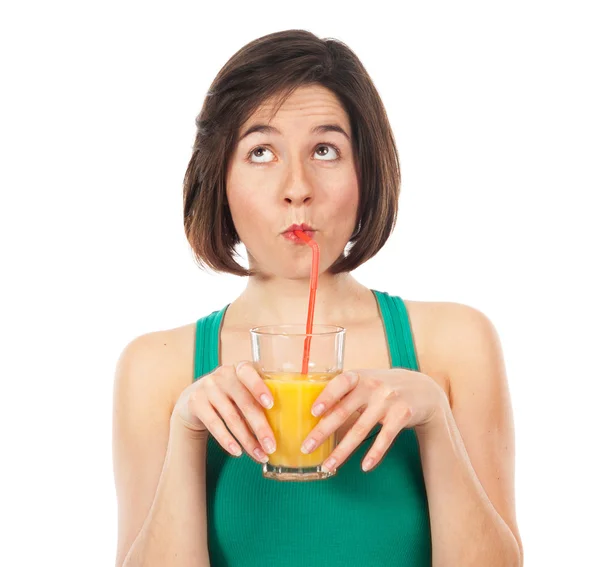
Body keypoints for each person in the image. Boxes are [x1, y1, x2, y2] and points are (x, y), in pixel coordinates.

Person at [112, 29, 523, 567]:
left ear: (366, 171)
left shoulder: (456, 344)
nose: (297, 186)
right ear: (220, 178)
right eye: (261, 152)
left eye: (325, 150)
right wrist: (188, 432)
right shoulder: (156, 369)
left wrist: (435, 422)